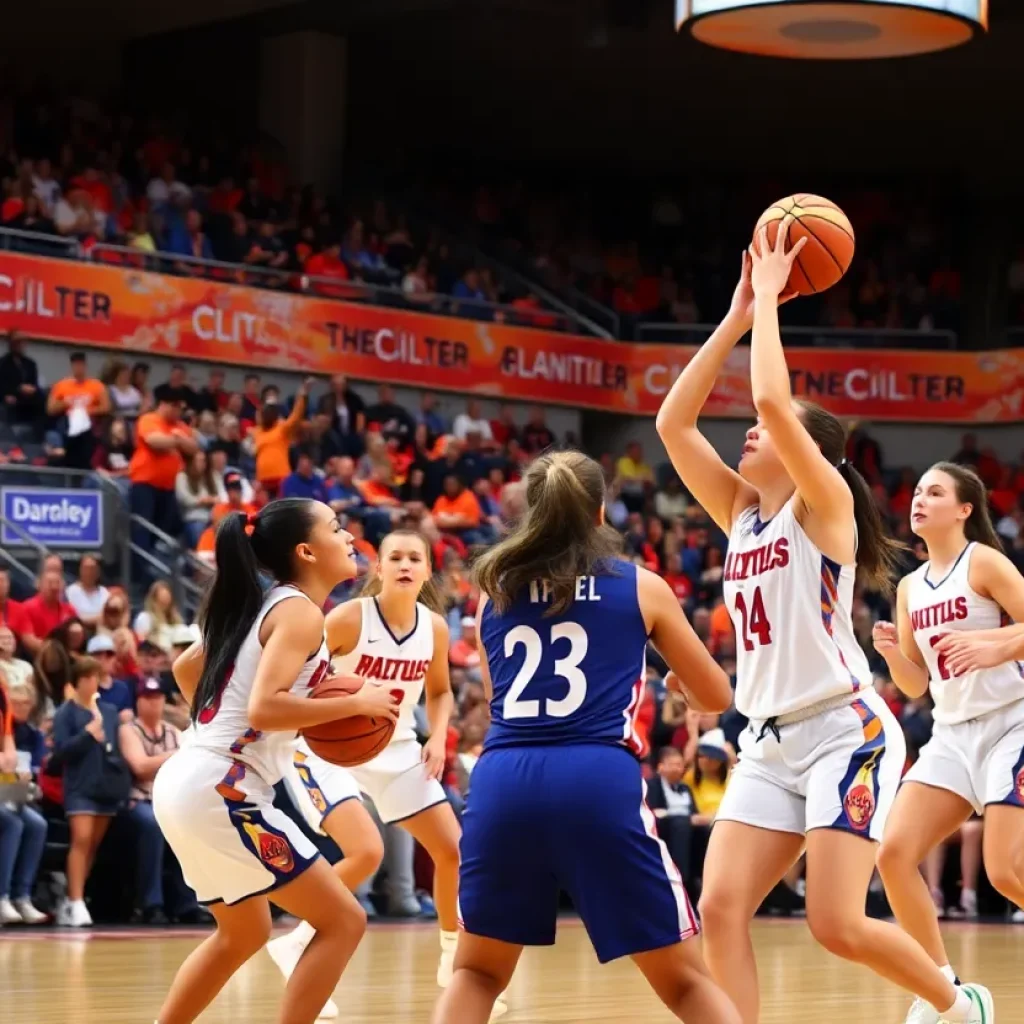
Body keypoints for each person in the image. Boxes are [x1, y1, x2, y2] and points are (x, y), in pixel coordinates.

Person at [653, 222, 991, 1024]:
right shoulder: (740, 512)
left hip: (848, 732)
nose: (752, 429)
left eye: (769, 430)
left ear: (813, 451)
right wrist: (734, 318)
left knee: (835, 923)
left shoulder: (824, 508)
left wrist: (771, 297)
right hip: (768, 741)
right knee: (721, 907)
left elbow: (771, 395)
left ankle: (957, 1002)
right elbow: (673, 423)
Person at [432, 450, 740, 1024]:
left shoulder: (493, 586)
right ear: (601, 512)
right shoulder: (641, 585)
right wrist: (678, 685)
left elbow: (500, 695)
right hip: (595, 776)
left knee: (475, 973)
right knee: (685, 983)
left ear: (532, 513)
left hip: (504, 778)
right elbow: (718, 696)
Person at [151, 499, 398, 1024]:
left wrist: (218, 728)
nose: (351, 536)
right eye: (336, 528)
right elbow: (265, 706)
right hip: (222, 788)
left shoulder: (263, 606)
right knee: (344, 921)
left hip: (188, 778)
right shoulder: (300, 612)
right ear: (306, 551)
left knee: (243, 932)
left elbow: (184, 667)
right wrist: (357, 703)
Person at [271, 529, 475, 1020]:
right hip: (323, 748)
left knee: (453, 850)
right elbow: (294, 674)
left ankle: (452, 958)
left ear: (427, 571)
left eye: (415, 558)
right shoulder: (347, 619)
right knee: (366, 851)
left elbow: (441, 692)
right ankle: (300, 937)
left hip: (396, 745)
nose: (405, 565)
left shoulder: (434, 627)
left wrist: (437, 738)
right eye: (395, 557)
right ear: (378, 568)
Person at [874, 462, 1024, 1024]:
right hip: (952, 735)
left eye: (935, 493)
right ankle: (949, 994)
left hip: (1011, 722)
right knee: (892, 855)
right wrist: (893, 655)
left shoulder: (982, 561)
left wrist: (996, 647)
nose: (919, 500)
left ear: (964, 509)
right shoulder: (910, 587)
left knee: (1007, 870)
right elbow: (918, 683)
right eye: (917, 492)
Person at [51, 657, 128, 927]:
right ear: (79, 681)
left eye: (97, 676)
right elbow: (60, 751)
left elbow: (114, 749)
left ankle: (73, 897)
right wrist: (86, 734)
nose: (95, 681)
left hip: (105, 786)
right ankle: (76, 902)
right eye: (89, 677)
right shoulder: (66, 713)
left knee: (92, 845)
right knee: (81, 840)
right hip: (79, 786)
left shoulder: (108, 711)